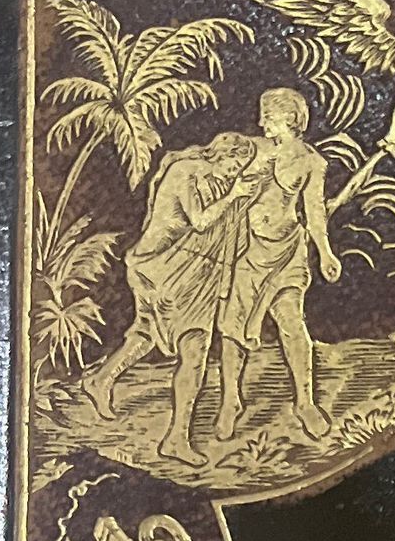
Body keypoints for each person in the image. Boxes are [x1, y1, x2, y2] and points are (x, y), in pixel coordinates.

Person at [90, 128, 259, 454]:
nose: (234, 173)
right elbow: (201, 222)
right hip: (163, 268)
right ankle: (176, 439)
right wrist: (235, 195)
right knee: (194, 348)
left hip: (174, 267)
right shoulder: (186, 171)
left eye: (239, 169)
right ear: (219, 154)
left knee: (147, 333)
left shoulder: (213, 179)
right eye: (233, 165)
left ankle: (101, 380)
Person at [213, 87, 340, 446]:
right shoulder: (254, 150)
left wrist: (325, 252)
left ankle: (305, 403)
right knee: (233, 328)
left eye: (268, 116)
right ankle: (230, 401)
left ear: (291, 119)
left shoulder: (312, 162)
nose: (261, 122)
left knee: (292, 324)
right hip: (249, 251)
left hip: (288, 252)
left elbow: (315, 212)